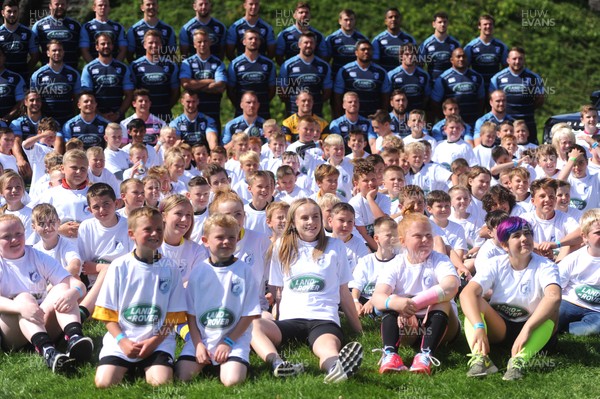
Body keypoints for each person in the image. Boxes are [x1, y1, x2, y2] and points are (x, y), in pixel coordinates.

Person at [251, 198, 363, 382]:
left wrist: (358, 329)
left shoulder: (335, 246)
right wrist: (275, 317)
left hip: (323, 319)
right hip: (290, 321)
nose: (311, 222)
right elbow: (278, 292)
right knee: (253, 325)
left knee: (328, 349)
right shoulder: (281, 247)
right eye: (304, 217)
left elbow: (344, 291)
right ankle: (277, 363)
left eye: (315, 217)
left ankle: (335, 368)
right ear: (293, 222)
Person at [93, 206, 187, 388]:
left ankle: (149, 364)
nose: (155, 233)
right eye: (148, 229)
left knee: (161, 383)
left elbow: (173, 317)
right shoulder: (119, 267)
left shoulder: (171, 268)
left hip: (157, 342)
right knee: (103, 383)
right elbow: (107, 314)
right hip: (122, 341)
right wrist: (123, 341)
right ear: (131, 234)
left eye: (159, 229)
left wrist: (154, 342)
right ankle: (126, 363)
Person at [460, 217, 561, 380]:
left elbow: (554, 296)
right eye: (517, 235)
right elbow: (466, 294)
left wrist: (527, 329)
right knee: (475, 302)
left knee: (553, 311)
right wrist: (479, 326)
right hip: (500, 327)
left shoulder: (546, 265)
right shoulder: (495, 263)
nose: (524, 238)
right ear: (505, 245)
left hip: (533, 326)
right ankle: (481, 359)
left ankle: (518, 362)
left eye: (527, 234)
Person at [175, 214, 260, 385]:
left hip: (233, 338)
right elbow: (190, 315)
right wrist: (198, 344)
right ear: (205, 240)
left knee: (232, 381)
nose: (226, 242)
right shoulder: (199, 271)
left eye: (231, 237)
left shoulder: (244, 271)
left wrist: (228, 342)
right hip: (203, 338)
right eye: (220, 237)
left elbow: (250, 314)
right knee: (182, 376)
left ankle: (231, 361)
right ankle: (205, 358)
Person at [0, 214, 91, 372]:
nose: (14, 240)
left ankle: (75, 337)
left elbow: (77, 284)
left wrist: (74, 293)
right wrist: (20, 308)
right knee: (24, 297)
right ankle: (47, 351)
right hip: (12, 331)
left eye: (18, 234)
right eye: (6, 237)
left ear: (25, 233)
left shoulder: (36, 255)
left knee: (63, 289)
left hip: (41, 320)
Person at [372, 213, 460, 374]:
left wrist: (413, 305)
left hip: (443, 328)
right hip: (410, 328)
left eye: (428, 235)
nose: (425, 240)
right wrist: (396, 303)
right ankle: (390, 355)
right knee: (391, 300)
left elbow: (451, 286)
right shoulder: (396, 264)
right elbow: (377, 297)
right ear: (403, 241)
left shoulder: (439, 260)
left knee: (443, 300)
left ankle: (425, 355)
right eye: (418, 236)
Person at [558, 208, 600, 336]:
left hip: (595, 309)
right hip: (569, 302)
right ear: (585, 237)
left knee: (595, 328)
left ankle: (566, 329)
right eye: (598, 232)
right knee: (551, 316)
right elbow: (557, 286)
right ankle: (558, 325)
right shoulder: (574, 259)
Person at [490, 47, 544, 144]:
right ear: (508, 60)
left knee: (532, 152)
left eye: (520, 58)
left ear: (524, 60)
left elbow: (540, 99)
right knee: (506, 151)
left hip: (527, 122)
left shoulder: (533, 77)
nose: (517, 61)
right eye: (514, 59)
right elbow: (492, 99)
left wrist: (527, 109)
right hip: (506, 123)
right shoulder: (497, 78)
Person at [180, 28, 227, 133]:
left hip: (213, 112)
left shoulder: (218, 63)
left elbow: (220, 86)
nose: (202, 44)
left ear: (209, 42)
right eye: (199, 42)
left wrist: (196, 86)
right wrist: (209, 81)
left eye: (205, 41)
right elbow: (186, 84)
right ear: (194, 44)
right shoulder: (187, 63)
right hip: (193, 114)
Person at [81, 33, 134, 123]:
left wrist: (118, 113)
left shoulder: (123, 68)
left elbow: (129, 94)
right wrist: (100, 115)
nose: (106, 46)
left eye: (109, 43)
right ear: (97, 47)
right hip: (95, 117)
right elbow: (86, 96)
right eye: (103, 44)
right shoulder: (89, 68)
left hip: (117, 118)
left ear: (113, 46)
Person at [350, 216, 397, 317]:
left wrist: (373, 301)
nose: (393, 238)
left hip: (383, 298)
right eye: (389, 235)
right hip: (365, 297)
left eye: (395, 235)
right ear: (376, 238)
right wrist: (355, 301)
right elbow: (357, 284)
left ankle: (376, 314)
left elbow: (394, 289)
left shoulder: (399, 261)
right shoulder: (366, 260)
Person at [333, 40, 391, 119]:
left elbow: (385, 97)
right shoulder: (345, 70)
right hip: (351, 118)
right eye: (363, 49)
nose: (366, 52)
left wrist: (381, 116)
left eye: (369, 49)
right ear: (356, 52)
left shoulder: (381, 72)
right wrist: (338, 115)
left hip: (373, 118)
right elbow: (337, 96)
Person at [130, 30, 179, 122]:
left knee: (166, 136)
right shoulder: (135, 66)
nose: (154, 45)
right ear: (144, 45)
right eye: (150, 43)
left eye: (157, 43)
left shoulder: (171, 65)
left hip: (164, 114)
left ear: (161, 45)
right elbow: (131, 92)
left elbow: (175, 92)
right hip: (142, 115)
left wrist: (166, 107)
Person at [279, 32, 331, 117]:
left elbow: (327, 92)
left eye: (311, 43)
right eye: (306, 42)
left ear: (315, 45)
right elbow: (282, 91)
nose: (309, 45)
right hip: (293, 113)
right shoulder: (287, 65)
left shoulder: (324, 66)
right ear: (299, 45)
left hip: (315, 113)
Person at [431, 47, 484, 130]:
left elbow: (481, 99)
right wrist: (444, 118)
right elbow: (435, 102)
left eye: (464, 56)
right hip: (452, 126)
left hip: (473, 123)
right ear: (452, 60)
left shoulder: (477, 77)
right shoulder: (443, 79)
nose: (461, 59)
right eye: (458, 56)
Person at [227, 29, 276, 120]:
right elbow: (230, 90)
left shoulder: (269, 64)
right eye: (250, 39)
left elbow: (272, 90)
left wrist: (261, 103)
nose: (253, 41)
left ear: (260, 42)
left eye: (256, 39)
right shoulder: (235, 64)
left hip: (263, 112)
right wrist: (241, 105)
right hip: (241, 113)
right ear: (244, 41)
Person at [30, 40, 81, 126]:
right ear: (48, 53)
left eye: (60, 50)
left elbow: (77, 99)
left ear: (63, 52)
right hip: (45, 122)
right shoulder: (38, 75)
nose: (57, 53)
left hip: (67, 120)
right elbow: (33, 99)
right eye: (54, 50)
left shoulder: (73, 74)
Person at [464, 14, 509, 91]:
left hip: (495, 87)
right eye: (485, 24)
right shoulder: (470, 47)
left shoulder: (501, 46)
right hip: (477, 86)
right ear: (479, 26)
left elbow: (507, 68)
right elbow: (465, 68)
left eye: (490, 24)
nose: (488, 26)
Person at [31, 0, 81, 69]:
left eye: (63, 4)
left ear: (67, 5)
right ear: (50, 6)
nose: (60, 6)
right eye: (57, 4)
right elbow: (34, 52)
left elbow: (81, 50)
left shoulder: (76, 26)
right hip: (47, 73)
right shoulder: (39, 26)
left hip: (71, 73)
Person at [0, 0, 38, 81]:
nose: (12, 14)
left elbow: (35, 56)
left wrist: (26, 71)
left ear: (18, 12)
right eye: (9, 11)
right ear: (3, 13)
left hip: (22, 78)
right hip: (2, 80)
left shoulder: (28, 33)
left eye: (15, 11)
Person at [388, 45, 431, 115]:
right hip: (398, 116)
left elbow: (426, 96)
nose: (410, 57)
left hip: (417, 117)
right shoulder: (392, 75)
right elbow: (387, 96)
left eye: (412, 54)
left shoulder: (424, 75)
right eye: (407, 54)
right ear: (401, 56)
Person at [324, 9, 368, 76]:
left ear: (355, 21)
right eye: (346, 20)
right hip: (336, 75)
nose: (348, 23)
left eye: (351, 19)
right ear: (340, 21)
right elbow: (326, 60)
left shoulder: (362, 39)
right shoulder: (331, 39)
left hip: (355, 77)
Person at [419, 12, 461, 82]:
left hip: (451, 83)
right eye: (440, 22)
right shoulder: (426, 44)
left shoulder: (455, 44)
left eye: (445, 22)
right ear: (434, 24)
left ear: (448, 24)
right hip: (433, 83)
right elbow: (419, 65)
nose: (442, 24)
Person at [0, 46, 25, 121]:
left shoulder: (16, 78)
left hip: (9, 123)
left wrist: (6, 118)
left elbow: (20, 102)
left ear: (4, 57)